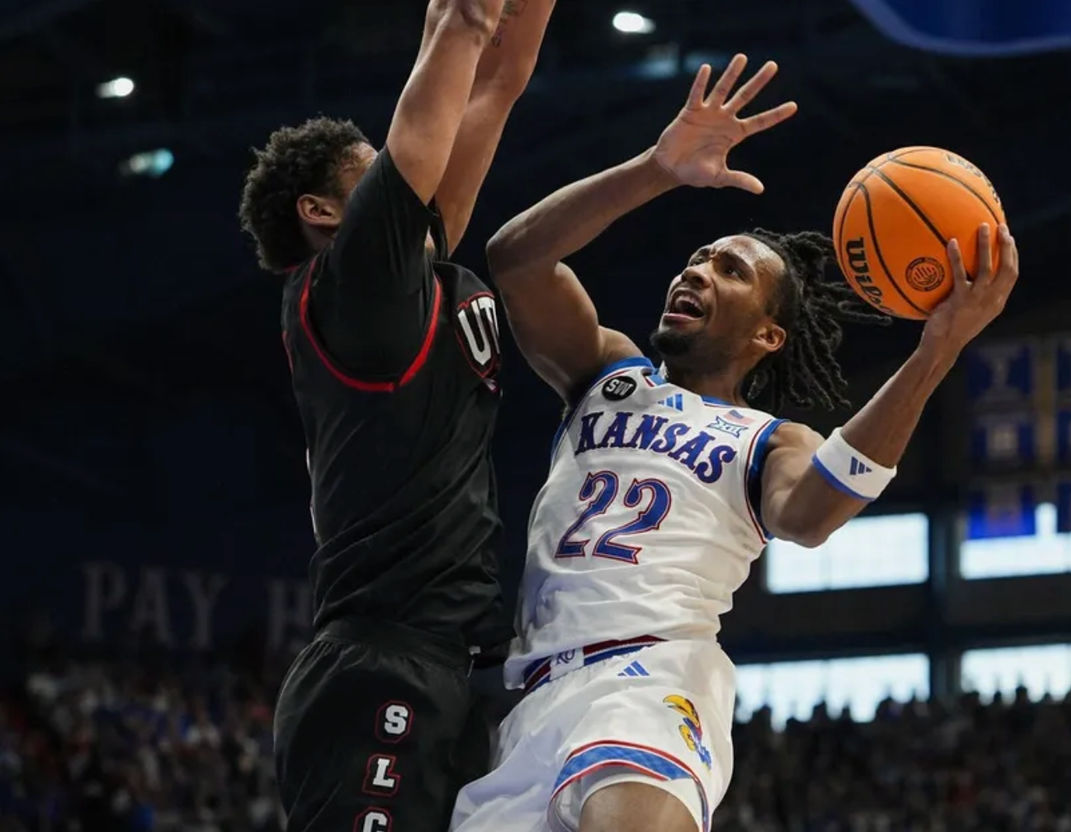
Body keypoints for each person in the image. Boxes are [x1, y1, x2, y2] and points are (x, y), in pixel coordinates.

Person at [450, 54, 1020, 832]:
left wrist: (935, 352)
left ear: (767, 333)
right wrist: (656, 168)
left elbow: (811, 515)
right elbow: (516, 258)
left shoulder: (768, 439)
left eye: (728, 270)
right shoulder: (607, 373)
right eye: (694, 259)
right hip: (531, 705)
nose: (697, 272)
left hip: (651, 679)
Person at [236, 1, 556, 830]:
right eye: (372, 168)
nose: (403, 165)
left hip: (447, 664)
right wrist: (461, 23)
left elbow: (500, 79)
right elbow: (462, 30)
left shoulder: (412, 272)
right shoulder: (353, 284)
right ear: (324, 213)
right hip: (381, 663)